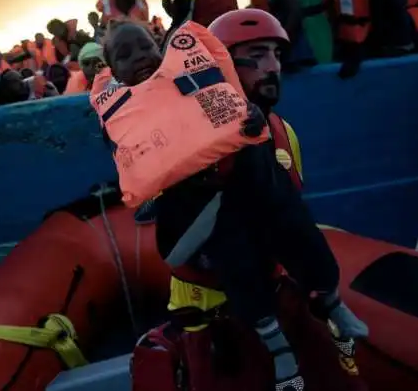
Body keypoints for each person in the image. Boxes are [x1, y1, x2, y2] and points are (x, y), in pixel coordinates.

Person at [96, 19, 367, 390]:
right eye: (256, 56)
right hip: (213, 317)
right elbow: (168, 229)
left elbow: (289, 215)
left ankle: (327, 305)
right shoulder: (131, 127)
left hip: (280, 294)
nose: (272, 66)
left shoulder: (281, 133)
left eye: (276, 55)